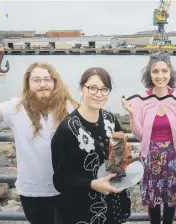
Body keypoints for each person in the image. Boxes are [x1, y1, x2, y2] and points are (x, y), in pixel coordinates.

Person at [0, 48, 78, 224]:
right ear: (28, 84)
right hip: (33, 193)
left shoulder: (71, 108)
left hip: (68, 190)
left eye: (47, 79)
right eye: (36, 80)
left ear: (55, 82)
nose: (43, 84)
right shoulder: (16, 108)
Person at [51, 67, 131, 224]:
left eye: (104, 89)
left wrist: (121, 173)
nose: (98, 94)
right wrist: (92, 184)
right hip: (80, 210)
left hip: (112, 207)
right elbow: (60, 180)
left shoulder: (111, 120)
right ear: (81, 89)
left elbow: (119, 160)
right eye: (92, 88)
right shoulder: (67, 129)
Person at [121, 52, 176, 224]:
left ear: (170, 73)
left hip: (174, 156)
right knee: (152, 201)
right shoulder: (141, 99)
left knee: (170, 200)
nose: (160, 76)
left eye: (164, 71)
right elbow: (139, 134)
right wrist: (131, 115)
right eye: (155, 71)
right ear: (149, 74)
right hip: (150, 156)